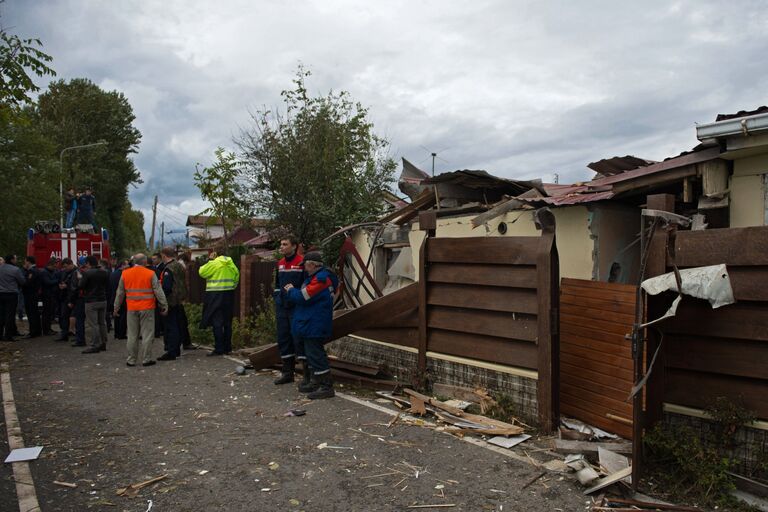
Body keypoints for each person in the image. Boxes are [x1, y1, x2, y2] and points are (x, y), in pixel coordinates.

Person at [284, 251, 338, 400]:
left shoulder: (321, 279)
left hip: (314, 323)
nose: (305, 269)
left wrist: (290, 290)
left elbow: (303, 297)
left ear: (312, 265)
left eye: (306, 266)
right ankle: (315, 383)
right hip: (311, 322)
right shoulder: (318, 278)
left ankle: (326, 387)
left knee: (316, 354)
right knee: (311, 354)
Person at [114, 253, 168, 367]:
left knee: (132, 335)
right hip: (147, 308)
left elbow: (120, 293)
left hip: (131, 308)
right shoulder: (150, 273)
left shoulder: (125, 273)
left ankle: (131, 359)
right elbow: (158, 291)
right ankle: (146, 359)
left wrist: (116, 307)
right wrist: (164, 304)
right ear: (144, 262)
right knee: (147, 334)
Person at [272, 235, 306, 386]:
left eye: (285, 244)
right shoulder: (279, 263)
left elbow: (306, 285)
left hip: (297, 307)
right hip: (282, 307)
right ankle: (287, 373)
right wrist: (277, 297)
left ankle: (307, 375)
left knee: (298, 339)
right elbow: (277, 284)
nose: (282, 247)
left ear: (294, 246)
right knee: (283, 338)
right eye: (281, 244)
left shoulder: (301, 262)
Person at [198, 250, 239, 356]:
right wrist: (231, 287)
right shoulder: (231, 263)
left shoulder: (214, 263)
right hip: (228, 295)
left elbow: (202, 272)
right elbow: (236, 276)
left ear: (215, 253)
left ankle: (219, 348)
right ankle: (227, 348)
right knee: (227, 322)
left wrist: (210, 260)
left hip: (215, 295)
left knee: (217, 322)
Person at [157, 247, 188, 361]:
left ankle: (172, 351)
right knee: (178, 325)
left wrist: (162, 301)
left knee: (171, 326)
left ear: (164, 256)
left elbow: (166, 287)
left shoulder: (168, 269)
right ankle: (176, 349)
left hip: (171, 300)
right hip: (179, 298)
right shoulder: (179, 265)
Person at [80, 256, 109, 354]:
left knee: (93, 324)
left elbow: (81, 286)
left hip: (91, 301)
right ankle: (103, 343)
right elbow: (107, 285)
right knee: (102, 322)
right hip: (103, 299)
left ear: (88, 263)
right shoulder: (105, 272)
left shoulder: (87, 273)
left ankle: (95, 345)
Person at [0, 255, 25, 342]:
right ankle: (8, 335)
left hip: (1, 294)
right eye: (15, 259)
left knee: (1, 314)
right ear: (11, 260)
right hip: (11, 294)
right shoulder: (15, 269)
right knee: (10, 315)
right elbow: (22, 281)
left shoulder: (0, 268)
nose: (16, 260)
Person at [55, 258, 76, 342]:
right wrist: (61, 285)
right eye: (64, 267)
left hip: (73, 297)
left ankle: (74, 334)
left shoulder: (77, 272)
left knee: (75, 316)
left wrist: (67, 286)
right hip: (64, 297)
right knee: (64, 316)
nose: (65, 268)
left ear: (71, 264)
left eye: (66, 266)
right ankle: (64, 334)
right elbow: (62, 281)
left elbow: (77, 285)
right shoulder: (64, 272)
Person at [177, 253, 195, 350]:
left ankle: (184, 342)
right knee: (182, 321)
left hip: (176, 299)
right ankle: (185, 342)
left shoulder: (177, 266)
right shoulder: (181, 268)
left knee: (180, 321)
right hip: (178, 300)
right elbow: (181, 284)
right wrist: (183, 297)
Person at [21, 256, 42, 338]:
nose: (25, 263)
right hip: (34, 294)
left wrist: (22, 283)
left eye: (25, 261)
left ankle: (33, 332)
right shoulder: (36, 270)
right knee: (35, 313)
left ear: (29, 262)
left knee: (31, 313)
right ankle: (37, 330)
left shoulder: (31, 271)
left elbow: (28, 283)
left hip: (30, 294)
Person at [40, 258, 60, 336]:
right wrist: (57, 281)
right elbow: (47, 282)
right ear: (49, 265)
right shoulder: (44, 272)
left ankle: (48, 329)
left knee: (50, 313)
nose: (55, 268)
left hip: (51, 295)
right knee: (46, 313)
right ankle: (46, 330)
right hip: (47, 295)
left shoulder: (51, 271)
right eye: (54, 266)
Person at [109, 259, 128, 340]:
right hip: (122, 298)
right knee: (123, 317)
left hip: (113, 297)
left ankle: (116, 334)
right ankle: (121, 334)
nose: (128, 266)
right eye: (127, 264)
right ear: (122, 265)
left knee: (116, 316)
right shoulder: (124, 274)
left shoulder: (113, 274)